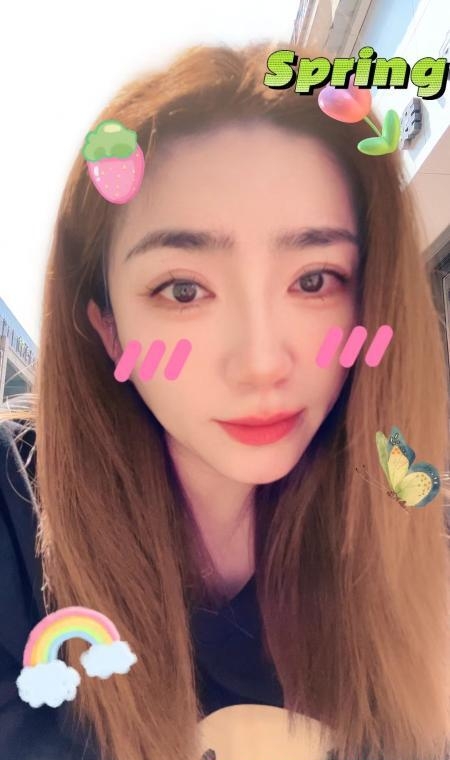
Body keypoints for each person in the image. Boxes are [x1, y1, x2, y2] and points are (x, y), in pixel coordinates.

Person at [0, 39, 449, 760]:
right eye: (184, 290)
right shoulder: (15, 511)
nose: (262, 363)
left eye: (314, 280)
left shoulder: (407, 531)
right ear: (108, 328)